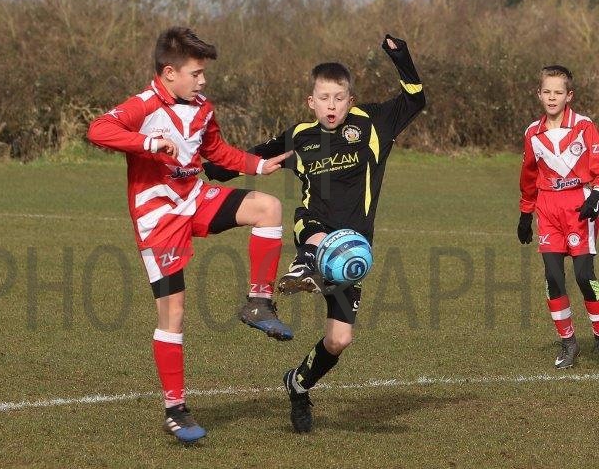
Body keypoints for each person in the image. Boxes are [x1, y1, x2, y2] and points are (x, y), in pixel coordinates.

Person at [204, 34, 425, 432]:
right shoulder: (300, 137)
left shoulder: (372, 124)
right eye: (324, 98)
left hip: (354, 251)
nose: (331, 106)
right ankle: (303, 268)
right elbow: (249, 157)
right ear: (311, 101)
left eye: (339, 98)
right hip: (313, 227)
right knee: (315, 234)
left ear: (350, 100)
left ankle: (298, 383)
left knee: (339, 340)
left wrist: (401, 57)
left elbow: (415, 99)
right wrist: (207, 167)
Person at [87, 26, 294, 443]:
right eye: (196, 73)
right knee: (174, 312)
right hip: (158, 218)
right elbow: (99, 130)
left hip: (195, 198)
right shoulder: (144, 104)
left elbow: (216, 152)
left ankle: (258, 303)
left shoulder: (202, 109)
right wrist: (148, 143)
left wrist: (258, 165)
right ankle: (175, 409)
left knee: (268, 208)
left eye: (203, 73)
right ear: (169, 73)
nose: (203, 80)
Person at [518, 65, 599, 369]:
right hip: (548, 208)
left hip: (579, 207)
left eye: (558, 92)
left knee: (584, 277)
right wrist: (525, 214)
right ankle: (568, 342)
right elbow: (528, 176)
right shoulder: (532, 133)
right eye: (547, 92)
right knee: (553, 277)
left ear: (569, 95)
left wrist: (596, 195)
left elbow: (598, 164)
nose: (552, 97)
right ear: (539, 94)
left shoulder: (584, 126)